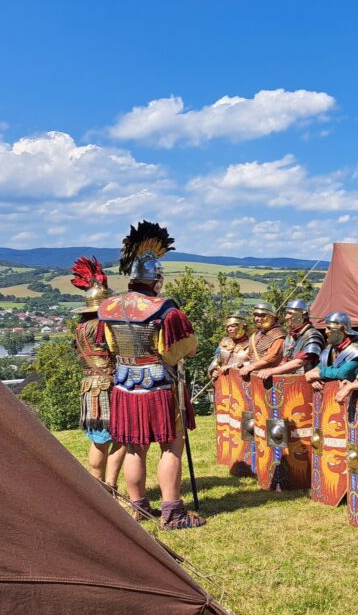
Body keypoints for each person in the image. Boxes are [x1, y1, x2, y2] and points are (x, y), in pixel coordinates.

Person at [97, 221, 202, 529]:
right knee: (171, 445)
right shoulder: (165, 309)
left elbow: (112, 346)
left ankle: (139, 509)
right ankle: (172, 512)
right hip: (159, 385)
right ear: (156, 278)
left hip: (125, 386)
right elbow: (181, 349)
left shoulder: (110, 307)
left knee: (133, 446)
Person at [69, 256, 126, 490]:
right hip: (108, 384)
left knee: (98, 439)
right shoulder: (103, 325)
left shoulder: (81, 327)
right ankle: (109, 487)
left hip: (88, 387)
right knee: (123, 439)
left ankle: (98, 485)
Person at [254, 298, 323, 380]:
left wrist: (272, 371)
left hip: (308, 382)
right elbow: (286, 359)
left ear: (300, 315)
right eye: (286, 313)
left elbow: (299, 362)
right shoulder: (290, 336)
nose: (286, 317)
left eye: (290, 313)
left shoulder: (313, 336)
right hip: (290, 381)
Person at [305, 311, 358, 387]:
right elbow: (319, 367)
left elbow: (344, 372)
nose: (326, 331)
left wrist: (316, 375)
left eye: (329, 328)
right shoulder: (331, 349)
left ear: (342, 329)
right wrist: (315, 379)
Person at [238, 302, 287, 379]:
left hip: (270, 377)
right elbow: (250, 356)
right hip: (254, 376)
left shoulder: (278, 335)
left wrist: (251, 367)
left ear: (272, 317)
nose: (257, 319)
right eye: (255, 315)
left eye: (262, 315)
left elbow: (272, 357)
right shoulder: (256, 335)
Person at [208, 312, 252, 380]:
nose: (229, 329)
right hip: (224, 381)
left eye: (233, 326)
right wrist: (212, 371)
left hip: (242, 381)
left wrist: (233, 366)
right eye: (228, 326)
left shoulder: (252, 343)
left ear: (242, 326)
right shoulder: (224, 342)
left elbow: (255, 364)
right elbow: (216, 360)